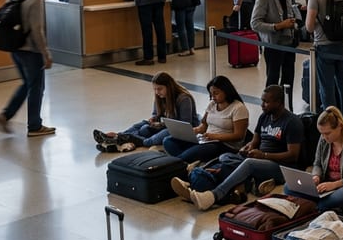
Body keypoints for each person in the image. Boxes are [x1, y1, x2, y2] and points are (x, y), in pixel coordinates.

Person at [173, 84, 302, 210]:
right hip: (260, 159)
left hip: (281, 166)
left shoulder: (292, 122)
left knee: (248, 164)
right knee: (225, 157)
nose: (262, 105)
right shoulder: (264, 116)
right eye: (262, 101)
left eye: (266, 102)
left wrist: (264, 156)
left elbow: (293, 155)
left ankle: (214, 195)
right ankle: (200, 181)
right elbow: (255, 140)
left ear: (278, 102)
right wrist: (247, 148)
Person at [0, 0, 53, 137]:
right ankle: (34, 126)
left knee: (27, 84)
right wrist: (45, 53)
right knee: (36, 87)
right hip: (30, 51)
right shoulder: (35, 1)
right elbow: (37, 30)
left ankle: (5, 115)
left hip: (16, 48)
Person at [92, 72, 198, 151]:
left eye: (160, 89)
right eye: (155, 89)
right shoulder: (160, 97)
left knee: (154, 138)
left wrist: (161, 124)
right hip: (164, 125)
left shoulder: (183, 99)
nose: (157, 92)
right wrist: (153, 120)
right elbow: (156, 114)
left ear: (169, 87)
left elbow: (185, 125)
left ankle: (125, 139)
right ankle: (120, 137)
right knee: (143, 127)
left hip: (177, 130)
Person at [164, 75, 250, 163]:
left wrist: (215, 136)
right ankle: (186, 161)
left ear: (226, 91)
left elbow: (239, 136)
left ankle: (179, 161)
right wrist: (192, 131)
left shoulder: (238, 108)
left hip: (224, 145)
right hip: (206, 139)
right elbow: (204, 126)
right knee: (168, 140)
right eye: (211, 94)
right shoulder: (212, 104)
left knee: (192, 153)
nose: (213, 97)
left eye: (216, 94)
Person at [251, 0, 300, 88]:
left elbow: (290, 11)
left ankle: (287, 104)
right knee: (273, 79)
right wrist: (277, 26)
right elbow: (255, 24)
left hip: (289, 42)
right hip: (273, 45)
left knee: (288, 79)